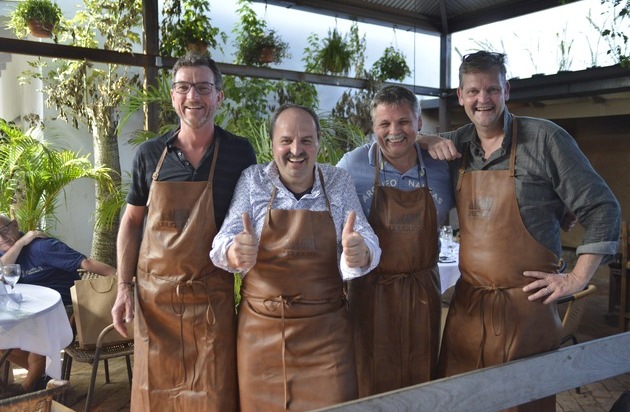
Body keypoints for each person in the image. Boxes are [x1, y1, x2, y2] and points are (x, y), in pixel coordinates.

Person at [420, 50, 620, 411]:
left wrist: (575, 278)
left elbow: (603, 208)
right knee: (459, 402)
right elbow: (402, 136)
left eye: (492, 89)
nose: (483, 100)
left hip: (527, 313)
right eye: (474, 91)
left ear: (506, 90)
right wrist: (427, 140)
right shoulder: (457, 144)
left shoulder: (545, 139)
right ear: (461, 96)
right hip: (469, 310)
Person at [110, 52, 257, 411]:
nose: (194, 97)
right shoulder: (149, 154)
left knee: (214, 395)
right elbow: (130, 222)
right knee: (154, 395)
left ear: (219, 96)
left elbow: (253, 220)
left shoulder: (239, 153)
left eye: (204, 88)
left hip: (211, 301)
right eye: (184, 87)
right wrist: (123, 288)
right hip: (155, 302)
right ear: (173, 95)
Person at [210, 104, 381, 411]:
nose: (296, 150)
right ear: (273, 144)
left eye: (306, 140)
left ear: (318, 144)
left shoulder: (338, 182)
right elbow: (222, 241)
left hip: (327, 336)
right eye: (286, 140)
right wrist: (233, 251)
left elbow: (365, 236)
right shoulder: (253, 181)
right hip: (261, 333)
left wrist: (361, 252)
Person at [336, 85, 454, 396]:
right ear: (372, 127)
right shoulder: (351, 165)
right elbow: (326, 220)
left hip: (422, 291)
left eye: (403, 122)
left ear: (419, 123)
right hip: (370, 291)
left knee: (421, 374)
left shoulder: (442, 165)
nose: (394, 132)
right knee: (370, 376)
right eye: (384, 124)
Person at [0, 214, 115, 395]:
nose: (1, 237)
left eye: (4, 230)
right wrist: (20, 242)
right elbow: (1, 268)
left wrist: (124, 280)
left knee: (39, 330)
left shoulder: (43, 247)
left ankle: (26, 391)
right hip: (27, 311)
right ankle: (42, 377)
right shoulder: (7, 253)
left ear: (15, 224)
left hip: (65, 310)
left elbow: (86, 263)